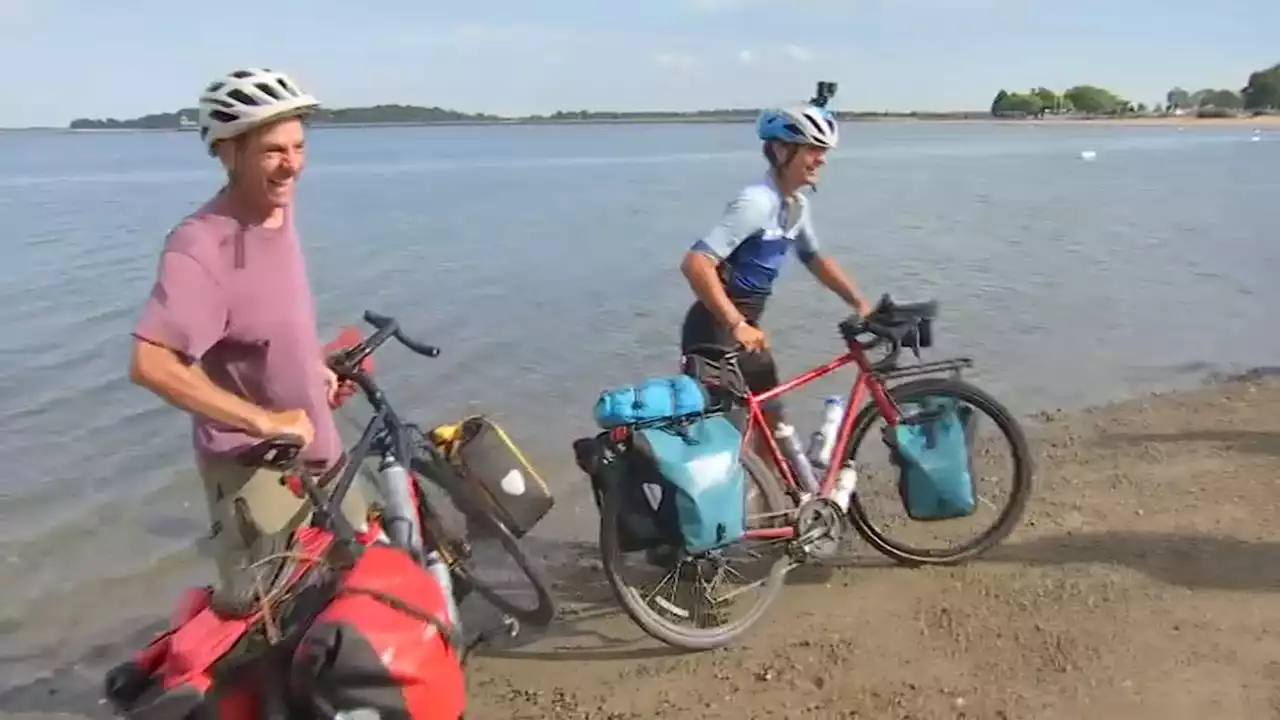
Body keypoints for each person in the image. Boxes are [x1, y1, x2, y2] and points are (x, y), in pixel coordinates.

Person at [129, 67, 369, 613]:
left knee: (358, 580)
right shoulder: (200, 247)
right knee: (267, 621)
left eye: (299, 147)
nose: (292, 166)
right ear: (228, 152)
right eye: (272, 152)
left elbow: (266, 316)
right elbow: (150, 362)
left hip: (319, 450)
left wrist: (311, 367)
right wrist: (262, 419)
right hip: (255, 467)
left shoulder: (277, 211)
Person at [679, 103, 874, 440]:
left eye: (824, 150)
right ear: (782, 150)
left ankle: (775, 493)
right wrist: (736, 323)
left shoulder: (796, 204)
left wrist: (860, 303)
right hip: (714, 334)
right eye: (814, 149)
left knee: (774, 427)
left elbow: (815, 258)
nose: (822, 159)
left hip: (747, 331)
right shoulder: (757, 201)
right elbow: (696, 263)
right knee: (726, 440)